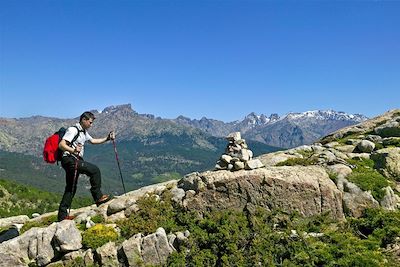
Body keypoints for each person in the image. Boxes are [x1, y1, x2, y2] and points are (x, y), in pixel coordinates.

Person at [57, 111, 115, 221]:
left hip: (73, 159)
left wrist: (107, 138)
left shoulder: (83, 132)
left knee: (71, 188)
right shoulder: (73, 130)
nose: (91, 125)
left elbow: (93, 141)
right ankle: (98, 197)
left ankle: (62, 216)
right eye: (90, 122)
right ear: (84, 120)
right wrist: (73, 150)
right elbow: (61, 145)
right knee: (94, 170)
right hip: (70, 159)